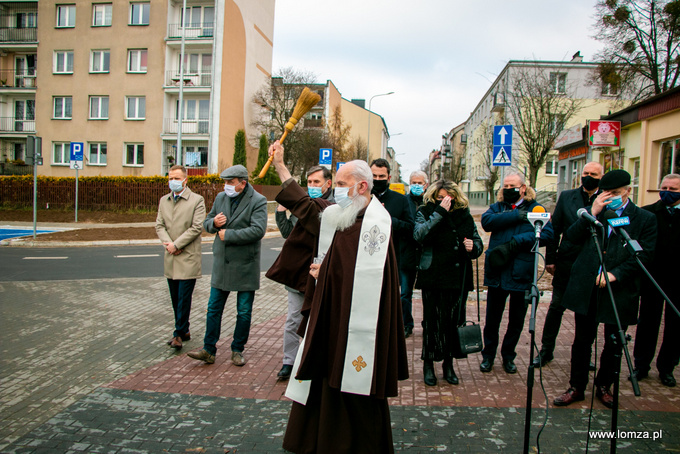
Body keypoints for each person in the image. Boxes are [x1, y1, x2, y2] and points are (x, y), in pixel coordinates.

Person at [268, 142, 408, 453]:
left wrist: (323, 272)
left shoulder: (372, 225)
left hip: (355, 329)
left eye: (342, 185)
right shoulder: (343, 216)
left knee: (352, 392)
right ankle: (322, 441)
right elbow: (306, 207)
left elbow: (358, 276)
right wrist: (280, 165)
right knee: (325, 381)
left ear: (361, 186)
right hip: (333, 321)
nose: (337, 192)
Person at [554, 169, 657, 408]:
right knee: (582, 340)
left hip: (619, 289)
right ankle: (576, 386)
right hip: (588, 287)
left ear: (628, 191)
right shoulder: (594, 214)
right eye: (606, 193)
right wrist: (592, 213)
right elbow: (570, 238)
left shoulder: (644, 218)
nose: (610, 197)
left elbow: (644, 255)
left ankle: (604, 386)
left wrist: (615, 274)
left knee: (614, 341)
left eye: (616, 193)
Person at [187, 165, 267, 366]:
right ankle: (208, 349)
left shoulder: (258, 200)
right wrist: (214, 222)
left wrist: (228, 234)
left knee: (244, 311)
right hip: (222, 264)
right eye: (225, 182)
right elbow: (206, 223)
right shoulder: (221, 198)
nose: (226, 186)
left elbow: (258, 230)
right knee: (213, 308)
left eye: (230, 182)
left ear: (243, 183)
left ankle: (237, 349)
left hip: (245, 265)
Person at [480, 172, 553, 374]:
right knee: (492, 319)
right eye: (505, 186)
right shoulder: (498, 207)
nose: (507, 189)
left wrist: (519, 241)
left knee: (516, 320)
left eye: (512, 185)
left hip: (521, 272)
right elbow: (487, 222)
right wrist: (515, 215)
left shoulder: (536, 209)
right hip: (497, 271)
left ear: (523, 188)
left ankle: (508, 356)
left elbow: (546, 234)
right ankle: (488, 356)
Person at [266, 165, 334, 380]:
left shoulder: (334, 206)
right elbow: (288, 233)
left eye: (316, 182)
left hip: (324, 273)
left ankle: (318, 361)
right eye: (310, 182)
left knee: (321, 319)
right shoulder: (301, 203)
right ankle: (289, 361)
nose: (312, 186)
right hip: (299, 274)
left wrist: (280, 165)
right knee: (294, 319)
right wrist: (280, 214)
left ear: (328, 183)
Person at [534, 162, 604, 368]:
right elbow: (554, 229)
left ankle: (585, 354)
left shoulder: (606, 200)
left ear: (601, 177)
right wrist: (551, 258)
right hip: (567, 261)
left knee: (587, 313)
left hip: (592, 261)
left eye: (593, 174)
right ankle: (546, 350)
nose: (588, 177)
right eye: (586, 173)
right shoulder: (567, 197)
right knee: (556, 307)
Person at [414, 180, 483, 386]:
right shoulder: (425, 212)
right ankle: (428, 364)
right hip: (433, 275)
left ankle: (448, 365)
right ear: (433, 197)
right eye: (440, 197)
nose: (445, 201)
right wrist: (439, 213)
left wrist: (474, 247)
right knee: (432, 322)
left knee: (453, 322)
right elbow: (419, 235)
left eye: (449, 197)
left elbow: (477, 241)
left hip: (457, 276)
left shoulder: (464, 214)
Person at [633, 174, 680, 387]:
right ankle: (641, 365)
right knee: (648, 322)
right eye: (664, 187)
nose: (667, 191)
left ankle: (667, 368)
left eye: (673, 188)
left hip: (677, 280)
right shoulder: (648, 212)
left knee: (675, 325)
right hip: (652, 277)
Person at [155, 165, 206, 350]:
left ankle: (178, 334)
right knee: (175, 298)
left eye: (177, 178)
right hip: (171, 256)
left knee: (184, 298)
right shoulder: (164, 201)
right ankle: (184, 330)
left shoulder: (197, 200)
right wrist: (169, 244)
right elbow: (159, 225)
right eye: (170, 178)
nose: (173, 181)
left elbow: (196, 227)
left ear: (185, 180)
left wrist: (177, 245)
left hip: (187, 257)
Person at [401, 171, 429, 338]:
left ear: (425, 184)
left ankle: (429, 323)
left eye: (420, 182)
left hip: (426, 254)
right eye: (413, 182)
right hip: (407, 253)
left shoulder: (430, 202)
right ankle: (406, 324)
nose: (416, 185)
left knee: (428, 293)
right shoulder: (404, 202)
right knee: (405, 293)